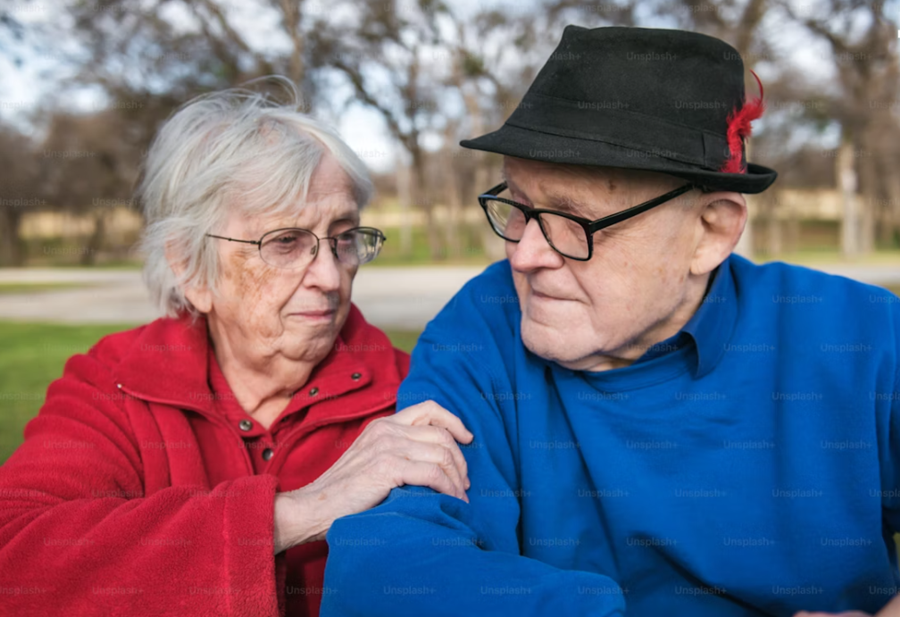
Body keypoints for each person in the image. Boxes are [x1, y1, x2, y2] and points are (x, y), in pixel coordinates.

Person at [322, 26, 900, 617]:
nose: (524, 256)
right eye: (518, 207)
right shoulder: (483, 328)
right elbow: (378, 577)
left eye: (575, 222)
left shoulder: (861, 337)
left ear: (710, 231)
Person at [0, 82, 472, 617]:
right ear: (189, 267)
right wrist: (296, 515)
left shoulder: (415, 398)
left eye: (343, 237)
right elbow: (16, 562)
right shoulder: (118, 385)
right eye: (285, 242)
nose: (329, 276)